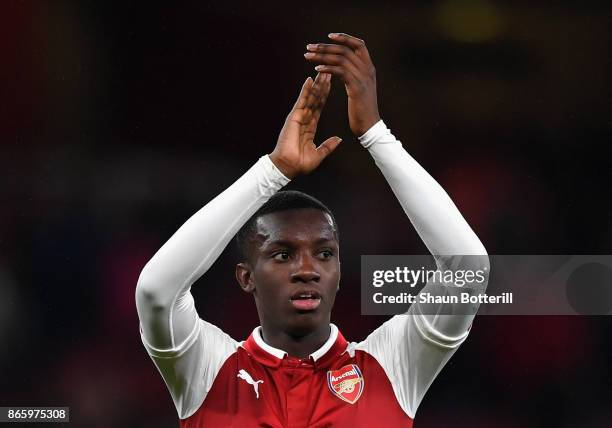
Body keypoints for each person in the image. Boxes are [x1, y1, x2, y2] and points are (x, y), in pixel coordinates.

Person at [136, 33, 489, 427]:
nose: (308, 269)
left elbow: (468, 269)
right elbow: (156, 290)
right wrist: (273, 171)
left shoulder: (392, 366)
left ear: (338, 273)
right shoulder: (206, 368)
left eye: (324, 253)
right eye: (283, 254)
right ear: (246, 277)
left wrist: (375, 134)